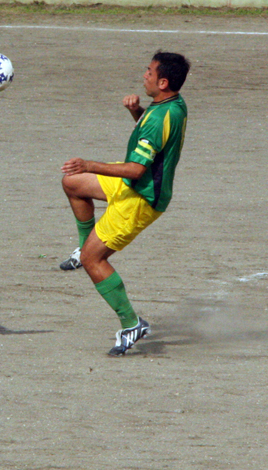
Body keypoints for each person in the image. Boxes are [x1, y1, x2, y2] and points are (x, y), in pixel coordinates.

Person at [59, 51, 190, 356]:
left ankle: (132, 324)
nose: (144, 75)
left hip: (141, 198)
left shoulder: (157, 120)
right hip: (135, 184)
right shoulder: (173, 104)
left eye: (149, 71)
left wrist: (89, 164)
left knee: (96, 261)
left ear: (164, 81)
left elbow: (136, 169)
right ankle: (84, 246)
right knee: (72, 183)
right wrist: (137, 112)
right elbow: (155, 139)